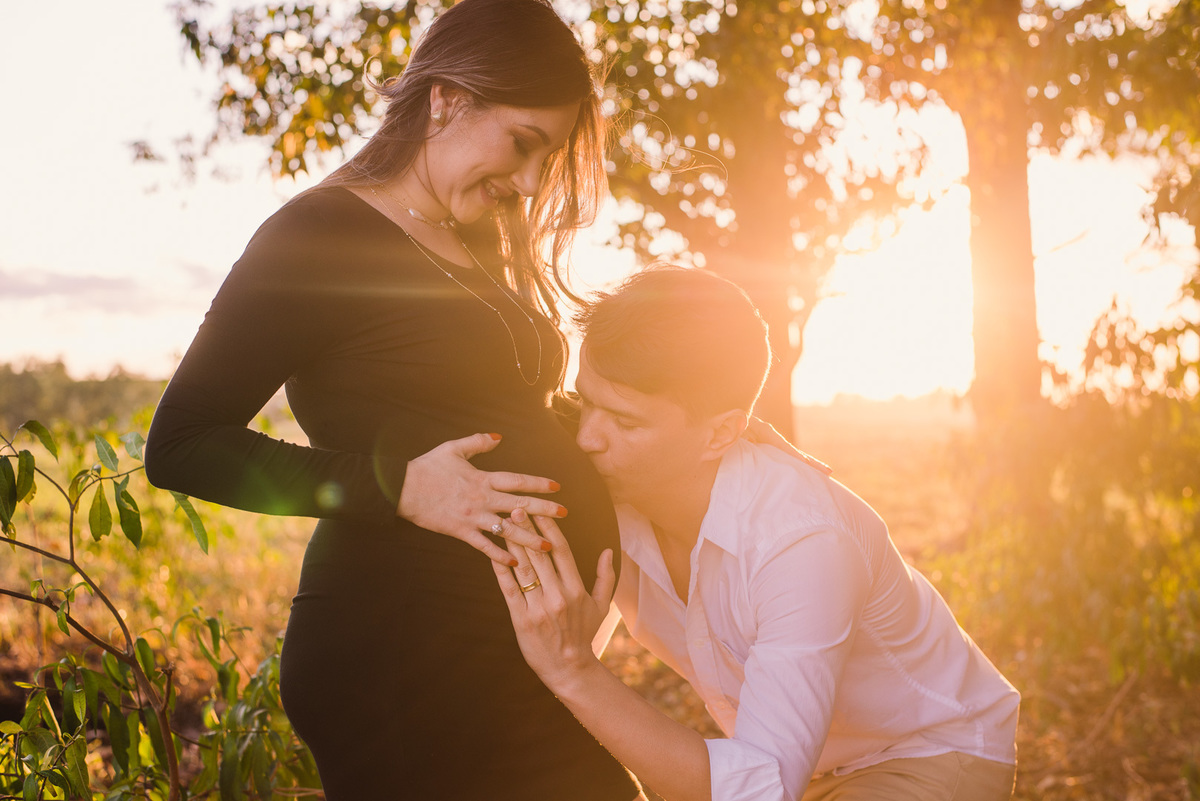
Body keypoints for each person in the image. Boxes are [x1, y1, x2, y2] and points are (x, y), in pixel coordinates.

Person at [144, 1, 644, 797]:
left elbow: (501, 410)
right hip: (400, 658)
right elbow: (181, 443)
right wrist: (402, 485)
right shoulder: (317, 235)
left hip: (502, 663)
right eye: (522, 143)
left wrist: (677, 422)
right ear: (446, 99)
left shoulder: (472, 234)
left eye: (544, 157)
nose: (527, 181)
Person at [493, 266, 1021, 801]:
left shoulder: (802, 542)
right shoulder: (615, 473)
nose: (587, 438)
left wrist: (575, 670)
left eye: (625, 423)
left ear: (721, 432)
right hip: (793, 766)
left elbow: (760, 790)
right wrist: (435, 484)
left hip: (926, 754)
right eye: (584, 402)